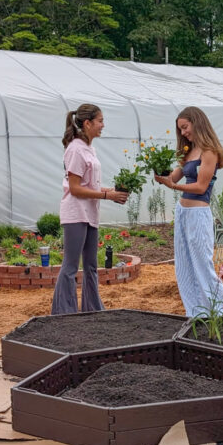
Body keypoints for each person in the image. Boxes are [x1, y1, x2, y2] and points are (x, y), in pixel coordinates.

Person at [51, 104, 128, 314]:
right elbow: (75, 189)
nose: (103, 125)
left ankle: (92, 309)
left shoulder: (88, 149)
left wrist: (110, 192)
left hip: (90, 214)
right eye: (100, 121)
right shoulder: (76, 149)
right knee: (70, 266)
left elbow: (87, 185)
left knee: (92, 265)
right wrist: (105, 195)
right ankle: (63, 313)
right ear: (87, 123)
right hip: (76, 214)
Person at [153, 106, 223, 318]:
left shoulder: (209, 152)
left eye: (185, 127)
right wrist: (159, 172)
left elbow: (200, 187)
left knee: (203, 264)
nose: (184, 132)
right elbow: (174, 177)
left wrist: (173, 187)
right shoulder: (188, 151)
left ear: (197, 122)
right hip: (183, 213)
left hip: (198, 214)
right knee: (184, 265)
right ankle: (196, 313)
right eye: (181, 130)